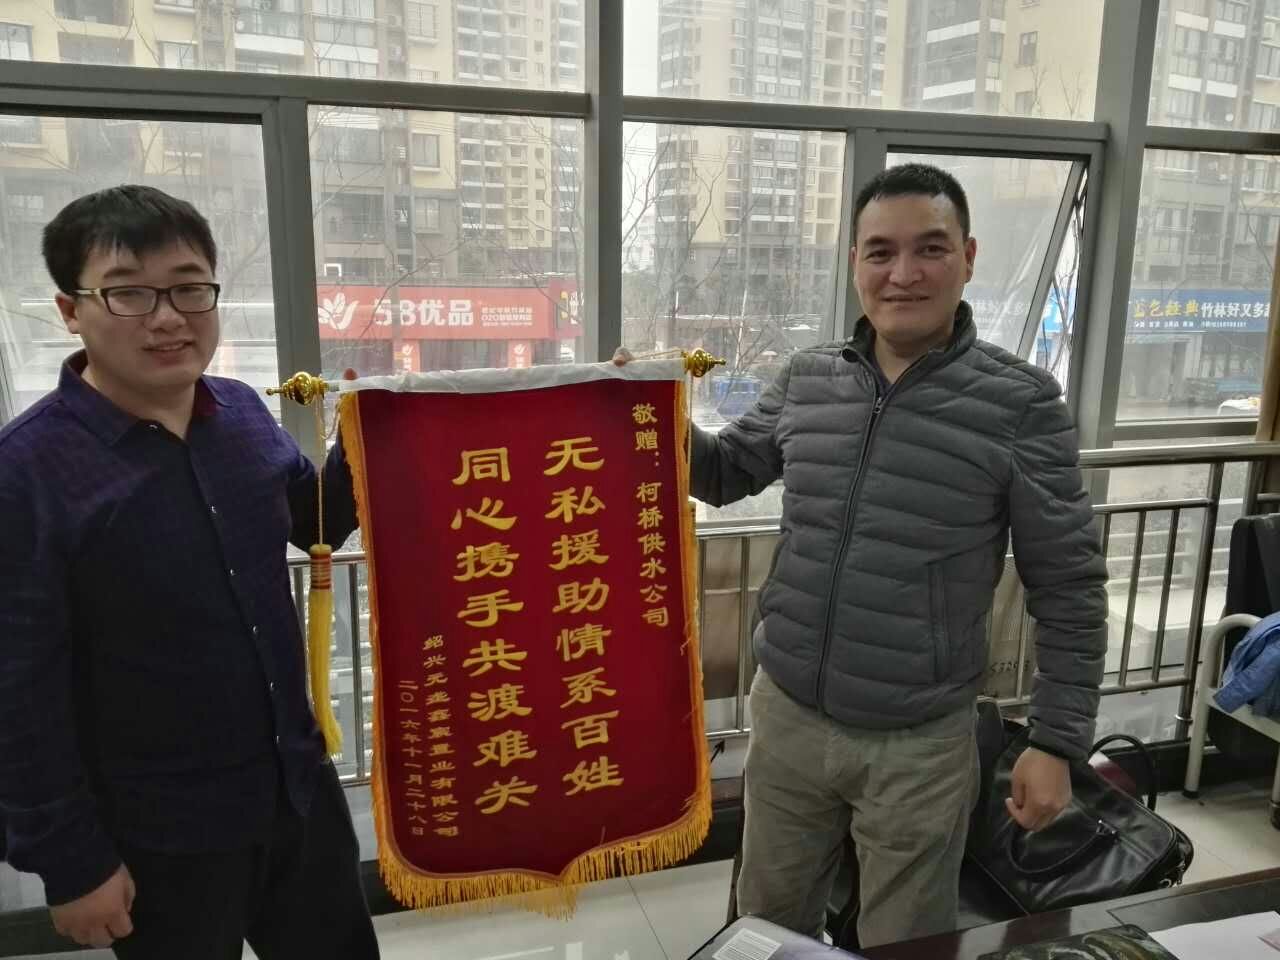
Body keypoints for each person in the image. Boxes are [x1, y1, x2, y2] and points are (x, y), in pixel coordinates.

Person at [620, 163, 1107, 947]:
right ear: (855, 263)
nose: (903, 274)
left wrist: (1056, 741)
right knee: (767, 925)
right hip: (788, 714)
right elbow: (725, 472)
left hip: (920, 741)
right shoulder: (809, 379)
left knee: (905, 942)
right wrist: (647, 414)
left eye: (930, 249)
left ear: (968, 258)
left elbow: (1069, 583)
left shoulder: (1019, 404)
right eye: (880, 252)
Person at [0, 185, 379, 959]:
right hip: (158, 835)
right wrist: (72, 863)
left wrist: (372, 431)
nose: (168, 317)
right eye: (129, 292)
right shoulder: (26, 472)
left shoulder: (240, 413)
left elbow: (311, 525)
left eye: (188, 287)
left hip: (297, 794)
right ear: (70, 310)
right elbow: (17, 691)